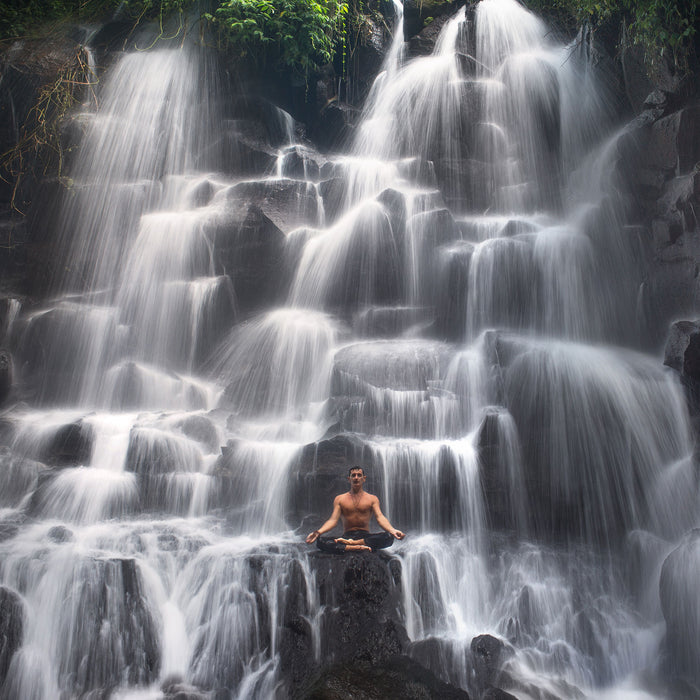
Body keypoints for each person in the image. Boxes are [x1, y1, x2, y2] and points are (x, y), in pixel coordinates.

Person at [305, 466, 405, 553]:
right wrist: (317, 532)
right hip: (347, 536)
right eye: (353, 475)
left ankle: (352, 545)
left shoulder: (372, 498)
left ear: (364, 478)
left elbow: (380, 517)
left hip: (365, 537)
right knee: (320, 541)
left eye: (359, 475)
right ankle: (353, 547)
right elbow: (333, 520)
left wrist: (392, 530)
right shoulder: (340, 499)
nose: (356, 478)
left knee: (388, 537)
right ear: (349, 479)